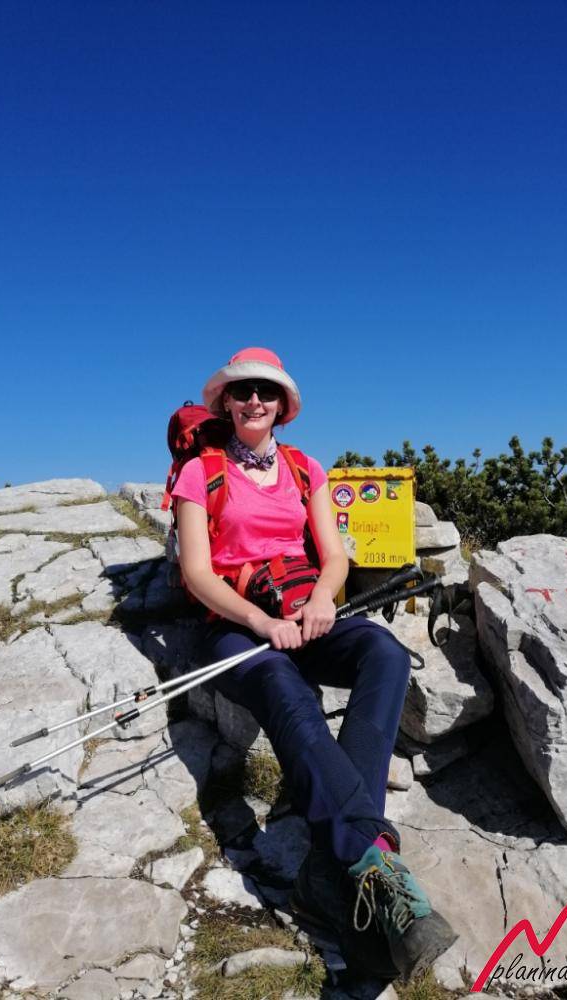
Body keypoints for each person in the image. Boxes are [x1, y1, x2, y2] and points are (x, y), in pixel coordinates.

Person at [173, 347, 456, 981]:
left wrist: (323, 600)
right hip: (237, 624)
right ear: (225, 401)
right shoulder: (200, 472)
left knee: (384, 652)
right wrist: (260, 622)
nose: (254, 401)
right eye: (242, 391)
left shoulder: (305, 469)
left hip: (305, 608)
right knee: (281, 683)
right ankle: (371, 862)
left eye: (266, 392)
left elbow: (333, 556)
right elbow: (197, 573)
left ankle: (331, 869)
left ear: (282, 405)